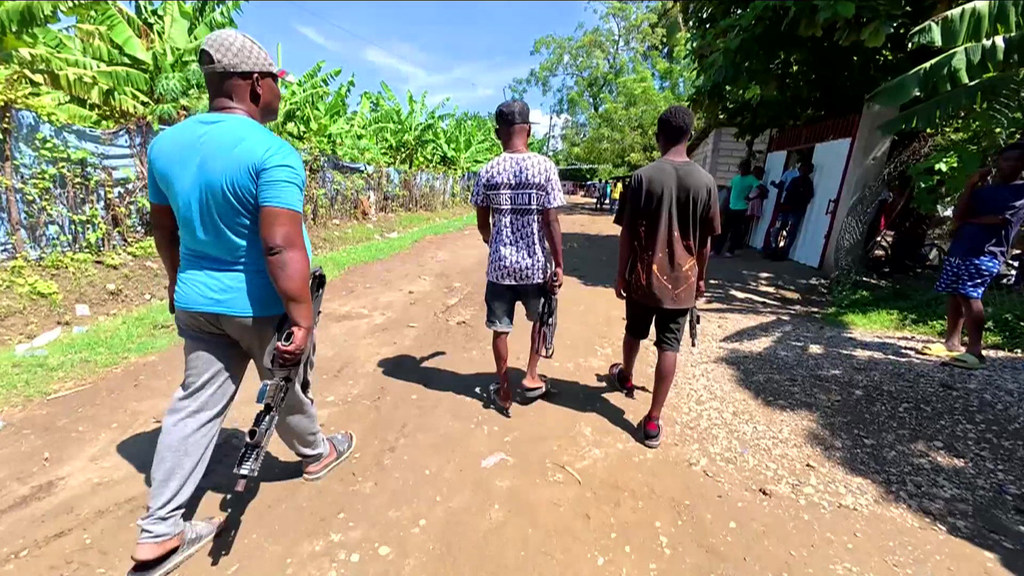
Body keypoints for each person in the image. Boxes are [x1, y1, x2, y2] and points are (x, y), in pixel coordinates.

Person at [129, 30, 355, 574]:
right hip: (255, 304)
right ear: (256, 85)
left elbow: (165, 230)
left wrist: (175, 282)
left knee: (196, 402)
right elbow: (279, 244)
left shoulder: (165, 146)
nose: (279, 94)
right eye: (276, 85)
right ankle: (315, 453)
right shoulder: (271, 152)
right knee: (285, 379)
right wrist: (301, 317)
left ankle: (158, 534)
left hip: (196, 301)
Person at [609, 105, 720, 448]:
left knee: (634, 331)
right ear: (689, 137)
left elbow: (626, 233)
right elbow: (705, 243)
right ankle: (653, 421)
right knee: (668, 346)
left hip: (644, 278)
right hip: (683, 283)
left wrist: (621, 274)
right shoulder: (706, 183)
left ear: (658, 136)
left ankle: (626, 376)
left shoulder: (640, 178)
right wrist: (701, 279)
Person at [471, 99, 565, 416]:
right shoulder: (545, 167)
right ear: (527, 130)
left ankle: (504, 388)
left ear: (499, 133)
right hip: (535, 266)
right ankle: (531, 375)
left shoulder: (488, 171)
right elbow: (551, 221)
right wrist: (559, 264)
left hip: (500, 267)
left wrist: (491, 240)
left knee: (501, 328)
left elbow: (483, 222)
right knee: (540, 319)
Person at [920, 142, 1024, 369]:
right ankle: (952, 343)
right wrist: (970, 184)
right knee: (954, 293)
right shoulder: (984, 190)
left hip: (986, 251)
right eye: (1006, 160)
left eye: (1017, 160)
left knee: (969, 295)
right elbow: (959, 212)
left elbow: (999, 219)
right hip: (961, 247)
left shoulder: (1021, 192)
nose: (1011, 164)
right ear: (998, 162)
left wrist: (965, 221)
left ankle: (975, 352)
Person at [767, 162, 815, 258]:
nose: (803, 171)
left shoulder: (808, 183)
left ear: (809, 171)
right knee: (778, 229)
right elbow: (788, 192)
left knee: (790, 231)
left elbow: (808, 196)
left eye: (806, 169)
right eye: (802, 169)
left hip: (796, 210)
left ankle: (784, 252)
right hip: (787, 208)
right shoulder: (795, 180)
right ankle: (774, 248)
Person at [720, 159, 760, 257]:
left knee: (736, 230)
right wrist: (727, 202)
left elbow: (763, 190)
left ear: (748, 169)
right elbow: (730, 189)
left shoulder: (751, 179)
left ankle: (730, 250)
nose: (742, 170)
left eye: (744, 168)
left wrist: (750, 198)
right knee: (724, 229)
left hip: (741, 208)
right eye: (741, 168)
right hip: (731, 206)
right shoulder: (736, 179)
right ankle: (717, 249)